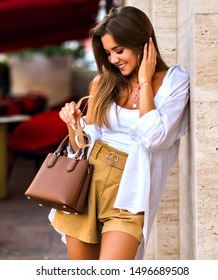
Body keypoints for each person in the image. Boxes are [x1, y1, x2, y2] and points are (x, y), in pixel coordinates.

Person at [48, 6, 190, 260]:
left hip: (130, 194)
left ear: (143, 44)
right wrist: (73, 124)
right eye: (108, 53)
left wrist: (145, 81)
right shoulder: (103, 83)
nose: (113, 60)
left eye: (119, 50)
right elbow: (81, 147)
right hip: (87, 186)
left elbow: (155, 138)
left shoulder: (173, 81)